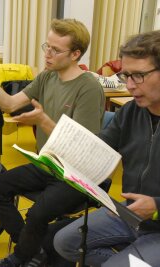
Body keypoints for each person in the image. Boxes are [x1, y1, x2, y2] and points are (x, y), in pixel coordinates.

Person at [0, 18, 105, 266]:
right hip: (48, 163)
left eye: (56, 50)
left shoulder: (88, 86)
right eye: (47, 46)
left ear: (76, 54)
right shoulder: (48, 77)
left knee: (37, 214)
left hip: (76, 172)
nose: (47, 54)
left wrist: (44, 121)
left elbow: (84, 146)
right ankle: (33, 251)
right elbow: (9, 104)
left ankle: (19, 258)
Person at [54, 30, 160, 267]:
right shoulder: (132, 112)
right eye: (126, 75)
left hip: (156, 220)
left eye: (139, 76)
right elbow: (98, 148)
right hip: (131, 213)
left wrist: (157, 206)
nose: (130, 85)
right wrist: (60, 156)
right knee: (65, 243)